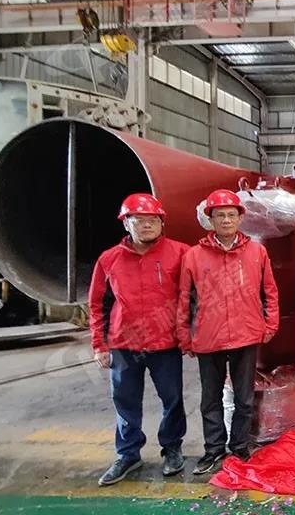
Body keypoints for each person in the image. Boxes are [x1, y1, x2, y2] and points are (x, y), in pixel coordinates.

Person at [88, 193, 189, 486]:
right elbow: (97, 304)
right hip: (124, 344)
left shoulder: (180, 254)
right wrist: (100, 344)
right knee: (125, 401)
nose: (147, 225)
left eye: (153, 220)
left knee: (172, 399)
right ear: (126, 224)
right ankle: (128, 453)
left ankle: (172, 448)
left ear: (162, 223)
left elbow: (193, 296)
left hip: (165, 343)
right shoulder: (109, 260)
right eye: (139, 220)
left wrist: (188, 334)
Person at [178, 188, 279, 475]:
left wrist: (270, 323)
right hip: (208, 338)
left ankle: (240, 446)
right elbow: (184, 298)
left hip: (245, 335)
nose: (225, 220)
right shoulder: (194, 256)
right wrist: (184, 336)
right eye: (219, 215)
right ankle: (213, 449)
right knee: (210, 399)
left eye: (231, 215)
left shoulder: (257, 252)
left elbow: (269, 291)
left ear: (240, 218)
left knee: (244, 398)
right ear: (210, 220)